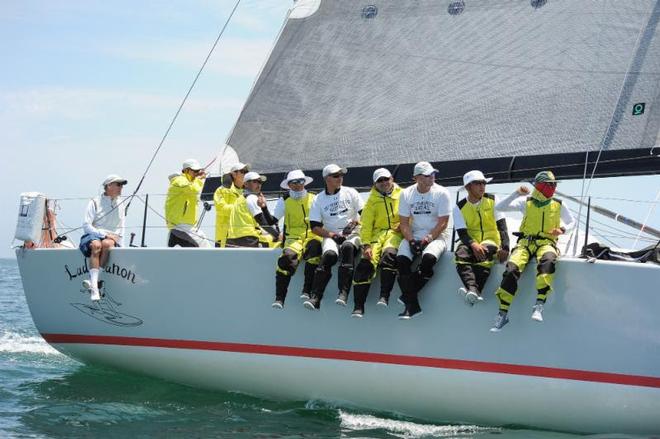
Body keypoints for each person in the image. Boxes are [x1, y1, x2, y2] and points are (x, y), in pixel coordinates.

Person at [490, 170, 575, 332]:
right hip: (525, 243)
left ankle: (539, 305)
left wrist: (562, 230)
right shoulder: (525, 202)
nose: (553, 187)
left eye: (554, 184)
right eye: (549, 184)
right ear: (539, 185)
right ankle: (502, 313)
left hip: (546, 243)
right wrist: (516, 193)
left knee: (548, 261)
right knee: (511, 269)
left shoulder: (559, 204)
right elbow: (500, 207)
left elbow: (572, 222)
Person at [303, 164, 364, 310]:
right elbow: (315, 227)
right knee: (329, 255)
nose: (340, 178)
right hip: (331, 235)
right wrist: (333, 236)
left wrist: (355, 222)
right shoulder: (318, 199)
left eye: (341, 175)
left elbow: (366, 216)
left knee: (348, 248)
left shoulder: (351, 192)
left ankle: (343, 293)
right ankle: (315, 297)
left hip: (353, 233)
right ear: (327, 179)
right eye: (336, 176)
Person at [396, 161, 452, 319]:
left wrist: (427, 239)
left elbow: (443, 223)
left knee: (428, 259)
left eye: (433, 174)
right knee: (401, 261)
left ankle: (408, 297)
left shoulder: (442, 192)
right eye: (427, 175)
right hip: (414, 234)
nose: (432, 177)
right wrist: (412, 241)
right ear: (417, 178)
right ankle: (412, 305)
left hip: (437, 235)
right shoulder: (406, 194)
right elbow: (404, 223)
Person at [351, 168, 402, 317]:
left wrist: (406, 224)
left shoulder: (404, 195)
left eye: (386, 179)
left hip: (396, 234)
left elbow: (411, 214)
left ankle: (384, 296)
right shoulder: (371, 201)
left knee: (389, 255)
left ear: (391, 178)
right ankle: (358, 306)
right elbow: (366, 225)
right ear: (374, 184)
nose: (384, 182)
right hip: (376, 235)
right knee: (364, 264)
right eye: (380, 180)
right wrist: (366, 245)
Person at [453, 170, 509, 305]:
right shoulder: (458, 207)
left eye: (484, 183)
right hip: (469, 240)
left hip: (491, 240)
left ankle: (471, 290)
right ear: (467, 187)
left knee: (484, 250)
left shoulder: (493, 200)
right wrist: (473, 244)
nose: (482, 186)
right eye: (477, 183)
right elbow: (462, 233)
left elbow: (502, 226)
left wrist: (505, 248)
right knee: (460, 254)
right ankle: (474, 291)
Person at [272, 170, 322, 309]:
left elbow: (325, 217)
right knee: (286, 259)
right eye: (293, 182)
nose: (297, 185)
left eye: (300, 181)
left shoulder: (315, 198)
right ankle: (279, 298)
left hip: (313, 235)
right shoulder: (284, 200)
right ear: (288, 185)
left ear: (304, 182)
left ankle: (307, 290)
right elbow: (273, 220)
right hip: (293, 238)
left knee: (314, 249)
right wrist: (264, 207)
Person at [79, 174, 127, 301]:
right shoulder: (94, 202)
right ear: (108, 186)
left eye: (122, 185)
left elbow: (122, 227)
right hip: (94, 234)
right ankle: (95, 287)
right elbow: (86, 226)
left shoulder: (121, 203)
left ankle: (93, 283)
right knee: (96, 245)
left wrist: (122, 244)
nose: (121, 188)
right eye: (118, 184)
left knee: (107, 244)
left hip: (111, 238)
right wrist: (103, 234)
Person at [225, 171, 279, 248]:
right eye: (255, 181)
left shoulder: (239, 199)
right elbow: (261, 221)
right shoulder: (252, 197)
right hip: (247, 239)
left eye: (260, 182)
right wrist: (277, 235)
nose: (259, 184)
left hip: (232, 239)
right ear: (246, 184)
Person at [165, 159, 208, 247]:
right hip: (179, 225)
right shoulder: (178, 180)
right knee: (197, 247)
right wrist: (200, 179)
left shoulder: (193, 181)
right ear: (186, 170)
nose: (197, 173)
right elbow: (193, 190)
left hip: (191, 226)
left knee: (206, 248)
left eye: (198, 171)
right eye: (195, 171)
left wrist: (198, 178)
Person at [213, 162, 248, 247]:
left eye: (247, 172)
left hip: (243, 235)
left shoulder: (248, 192)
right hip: (225, 237)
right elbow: (221, 209)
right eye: (243, 171)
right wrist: (240, 208)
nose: (246, 174)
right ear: (234, 174)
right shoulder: (222, 190)